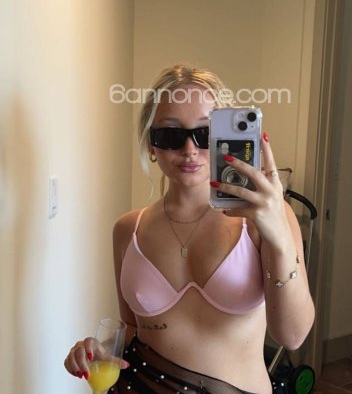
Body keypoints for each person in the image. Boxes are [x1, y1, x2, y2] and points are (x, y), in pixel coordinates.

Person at [64, 64, 315, 394]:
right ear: (151, 145)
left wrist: (279, 238)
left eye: (205, 134)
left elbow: (292, 336)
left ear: (225, 138)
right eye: (170, 135)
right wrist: (100, 349)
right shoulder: (128, 230)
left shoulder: (265, 220)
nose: (189, 150)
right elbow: (134, 328)